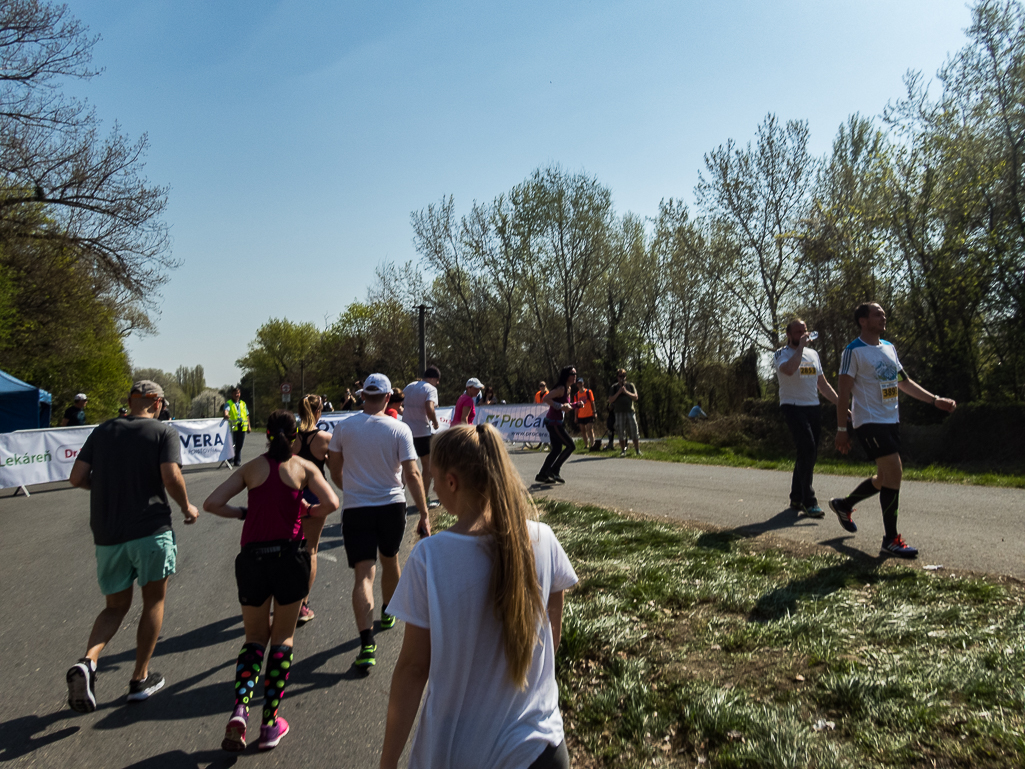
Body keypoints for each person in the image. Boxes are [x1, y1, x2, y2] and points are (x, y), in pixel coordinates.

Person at [379, 423, 578, 769]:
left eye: (434, 476)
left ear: (451, 481)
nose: (433, 484)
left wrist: (388, 761)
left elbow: (413, 670)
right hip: (545, 748)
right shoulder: (544, 539)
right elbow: (551, 635)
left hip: (463, 752)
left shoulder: (430, 557)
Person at [204, 410, 338, 751]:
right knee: (283, 639)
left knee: (253, 639)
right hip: (289, 558)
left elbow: (212, 503)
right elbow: (332, 503)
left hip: (252, 560)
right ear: (295, 438)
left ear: (265, 434)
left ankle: (240, 709)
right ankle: (269, 723)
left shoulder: (251, 468)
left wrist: (242, 513)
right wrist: (306, 511)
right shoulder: (303, 468)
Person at [65, 380, 199, 713]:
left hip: (109, 534)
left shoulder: (103, 430)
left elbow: (76, 477)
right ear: (156, 403)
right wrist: (186, 507)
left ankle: (89, 661)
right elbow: (170, 476)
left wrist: (109, 486)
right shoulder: (162, 432)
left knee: (114, 606)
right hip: (150, 528)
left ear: (131, 400)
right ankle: (140, 678)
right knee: (153, 600)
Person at [830, 302, 957, 558]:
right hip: (868, 421)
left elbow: (904, 383)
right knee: (895, 472)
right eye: (877, 314)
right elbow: (843, 393)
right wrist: (842, 428)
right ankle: (891, 539)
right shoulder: (853, 351)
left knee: (883, 478)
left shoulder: (888, 348)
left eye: (883, 314)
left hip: (891, 420)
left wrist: (934, 400)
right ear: (863, 321)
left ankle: (844, 504)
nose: (883, 317)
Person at [328, 374, 430, 671]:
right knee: (390, 558)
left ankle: (366, 644)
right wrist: (423, 512)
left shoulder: (344, 427)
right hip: (392, 506)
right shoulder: (400, 429)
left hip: (357, 507)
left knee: (363, 575)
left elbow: (335, 471)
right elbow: (412, 474)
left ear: (362, 396)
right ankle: (387, 610)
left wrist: (353, 490)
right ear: (388, 398)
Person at [773, 319, 841, 518]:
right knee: (808, 448)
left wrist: (841, 404)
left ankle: (796, 496)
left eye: (804, 331)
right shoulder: (781, 354)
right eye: (797, 332)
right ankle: (808, 501)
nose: (802, 335)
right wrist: (800, 348)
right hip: (792, 406)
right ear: (789, 335)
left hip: (813, 407)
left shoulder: (814, 355)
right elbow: (789, 370)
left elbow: (823, 384)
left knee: (807, 453)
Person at [291, 394, 333, 625]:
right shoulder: (325, 438)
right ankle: (302, 604)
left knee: (292, 547)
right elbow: (336, 468)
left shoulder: (293, 439)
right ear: (319, 412)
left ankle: (287, 598)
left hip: (295, 495)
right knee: (311, 549)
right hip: (315, 495)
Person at [403, 367, 442, 510]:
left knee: (403, 466)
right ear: (432, 378)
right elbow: (429, 408)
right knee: (428, 467)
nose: (437, 384)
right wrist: (435, 422)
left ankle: (398, 499)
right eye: (437, 381)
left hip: (406, 431)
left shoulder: (409, 386)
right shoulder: (430, 389)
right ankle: (424, 499)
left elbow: (400, 404)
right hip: (421, 432)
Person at [536, 366, 580, 485]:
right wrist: (560, 407)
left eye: (576, 373)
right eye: (572, 374)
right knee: (571, 446)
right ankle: (554, 470)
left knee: (556, 449)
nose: (575, 376)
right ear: (567, 375)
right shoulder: (561, 388)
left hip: (557, 422)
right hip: (553, 422)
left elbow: (567, 405)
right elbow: (546, 398)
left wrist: (576, 405)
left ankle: (542, 474)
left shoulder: (568, 388)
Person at [607, 369, 641, 456]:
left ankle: (637, 450)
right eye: (620, 376)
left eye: (624, 376)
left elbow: (635, 397)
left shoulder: (630, 385)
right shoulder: (614, 387)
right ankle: (623, 450)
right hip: (619, 412)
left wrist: (626, 392)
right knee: (621, 432)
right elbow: (611, 400)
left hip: (630, 411)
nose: (622, 378)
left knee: (634, 430)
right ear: (617, 377)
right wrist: (619, 392)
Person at [223, 387, 251, 467]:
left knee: (239, 444)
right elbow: (226, 410)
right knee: (232, 444)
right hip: (233, 426)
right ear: (232, 394)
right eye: (235, 393)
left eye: (238, 393)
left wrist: (249, 426)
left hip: (242, 426)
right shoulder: (229, 403)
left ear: (240, 394)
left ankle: (237, 461)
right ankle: (229, 460)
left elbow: (247, 415)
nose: (236, 394)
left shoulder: (243, 403)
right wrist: (226, 415)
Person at [572, 378, 599, 451]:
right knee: (583, 431)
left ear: (583, 383)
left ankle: (593, 444)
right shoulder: (576, 395)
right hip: (581, 415)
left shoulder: (588, 392)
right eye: (578, 383)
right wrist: (575, 417)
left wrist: (594, 412)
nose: (580, 384)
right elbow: (576, 407)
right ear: (577, 384)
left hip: (589, 414)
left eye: (581, 383)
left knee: (590, 429)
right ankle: (586, 445)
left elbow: (593, 402)